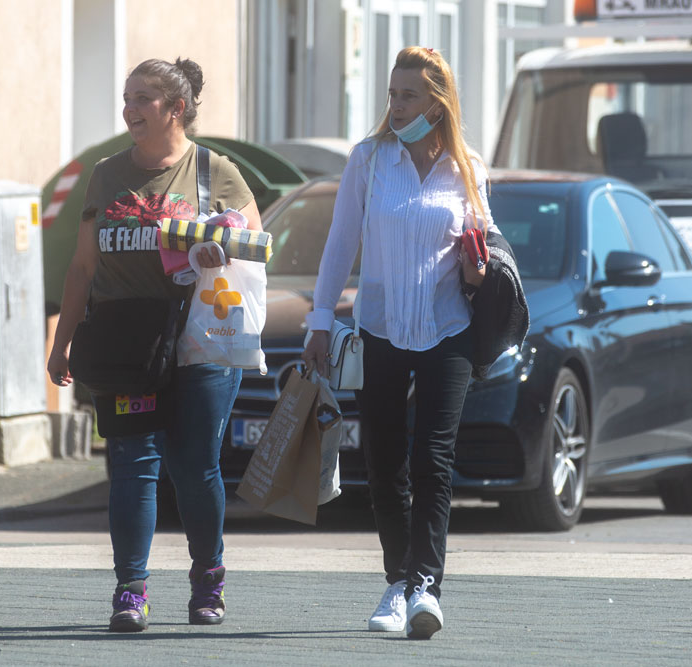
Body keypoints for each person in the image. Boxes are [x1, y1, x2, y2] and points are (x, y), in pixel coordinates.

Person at [47, 57, 261, 633]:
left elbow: (257, 251)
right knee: (133, 464)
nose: (130, 109)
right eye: (127, 97)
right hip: (127, 345)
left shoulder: (215, 171)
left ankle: (208, 578)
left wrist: (221, 247)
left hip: (201, 343)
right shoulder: (106, 175)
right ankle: (130, 590)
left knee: (194, 466)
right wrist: (62, 343)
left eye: (143, 98)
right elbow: (83, 266)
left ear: (176, 108)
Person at [301, 46, 495, 640]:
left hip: (447, 329)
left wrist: (478, 268)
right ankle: (398, 580)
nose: (396, 105)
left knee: (433, 460)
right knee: (384, 462)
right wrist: (318, 321)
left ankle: (426, 587)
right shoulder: (370, 159)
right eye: (392, 93)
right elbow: (340, 244)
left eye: (409, 95)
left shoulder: (467, 168)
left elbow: (486, 248)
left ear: (438, 104)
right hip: (379, 328)